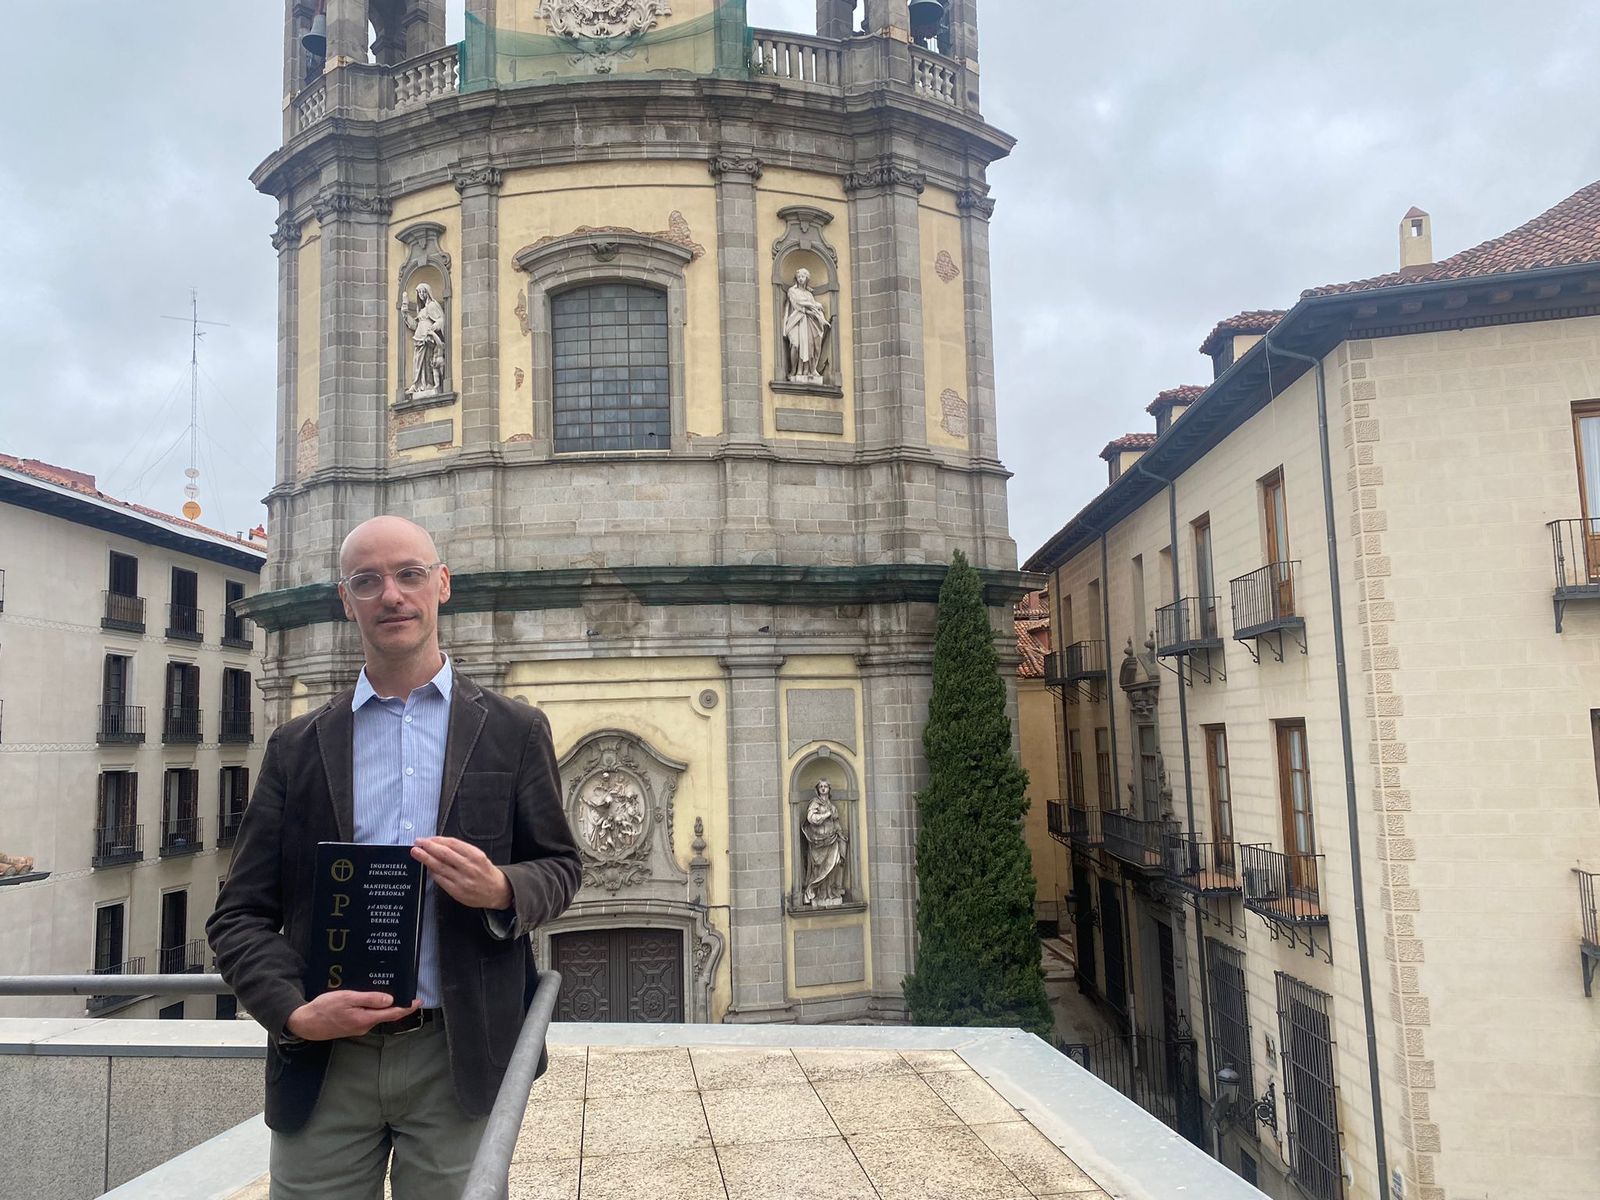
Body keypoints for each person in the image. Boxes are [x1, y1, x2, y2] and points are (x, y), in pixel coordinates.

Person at [208, 516, 581, 1199]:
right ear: (345, 601)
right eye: (368, 581)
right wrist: (294, 1012)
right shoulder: (296, 747)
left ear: (442, 585)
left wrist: (502, 888)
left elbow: (560, 868)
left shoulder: (515, 731)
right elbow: (238, 915)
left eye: (410, 574)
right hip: (325, 1064)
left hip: (457, 1056)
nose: (392, 595)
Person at [782, 268, 831, 384]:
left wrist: (821, 319)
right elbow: (797, 304)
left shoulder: (809, 294)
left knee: (811, 345)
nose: (800, 279)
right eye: (798, 277)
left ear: (806, 279)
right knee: (795, 344)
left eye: (802, 277)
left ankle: (808, 370)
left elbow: (815, 308)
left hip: (809, 321)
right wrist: (811, 308)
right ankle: (794, 370)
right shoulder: (792, 291)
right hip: (795, 320)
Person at [403, 283, 447, 397]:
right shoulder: (421, 310)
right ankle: (417, 384)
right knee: (417, 361)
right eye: (419, 292)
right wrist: (406, 314)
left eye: (423, 292)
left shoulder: (432, 305)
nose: (421, 295)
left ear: (427, 292)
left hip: (428, 337)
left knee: (427, 360)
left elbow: (441, 320)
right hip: (418, 337)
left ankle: (428, 383)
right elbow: (414, 325)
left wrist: (433, 328)